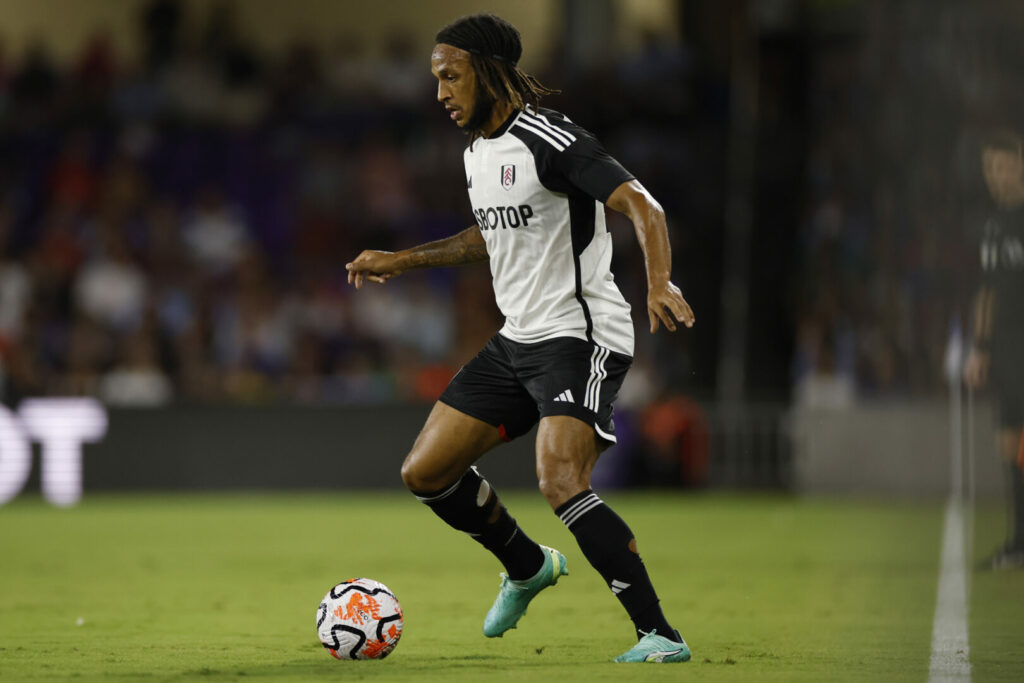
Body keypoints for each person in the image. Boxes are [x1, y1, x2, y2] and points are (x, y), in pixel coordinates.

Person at [346, 14, 695, 662]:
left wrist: (658, 283)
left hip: (580, 333)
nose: (442, 93)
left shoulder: (549, 137)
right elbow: (489, 234)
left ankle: (658, 633)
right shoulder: (479, 151)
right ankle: (528, 564)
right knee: (425, 470)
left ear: (488, 70)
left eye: (451, 76)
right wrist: (403, 259)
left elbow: (642, 203)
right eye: (436, 80)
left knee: (559, 476)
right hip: (520, 338)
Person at [964, 128, 1024, 570]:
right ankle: (1019, 542)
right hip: (1006, 348)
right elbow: (986, 291)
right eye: (990, 167)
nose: (996, 175)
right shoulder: (994, 226)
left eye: (1003, 165)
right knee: (1010, 444)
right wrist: (980, 348)